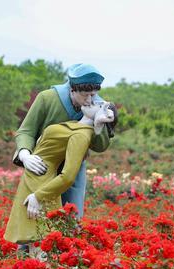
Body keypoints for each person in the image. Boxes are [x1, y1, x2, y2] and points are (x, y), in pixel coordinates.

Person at [4, 102, 117, 257]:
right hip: (31, 179)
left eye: (99, 105)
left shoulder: (81, 135)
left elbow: (69, 176)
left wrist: (39, 196)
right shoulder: (74, 125)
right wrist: (26, 155)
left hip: (40, 186)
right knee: (26, 249)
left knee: (38, 249)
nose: (93, 101)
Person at [12, 63, 116, 220]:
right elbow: (26, 130)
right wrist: (25, 155)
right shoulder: (47, 98)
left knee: (71, 216)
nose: (89, 100)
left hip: (72, 168)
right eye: (85, 95)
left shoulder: (98, 106)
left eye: (93, 95)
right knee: (31, 215)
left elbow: (100, 146)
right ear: (72, 89)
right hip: (42, 164)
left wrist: (99, 125)